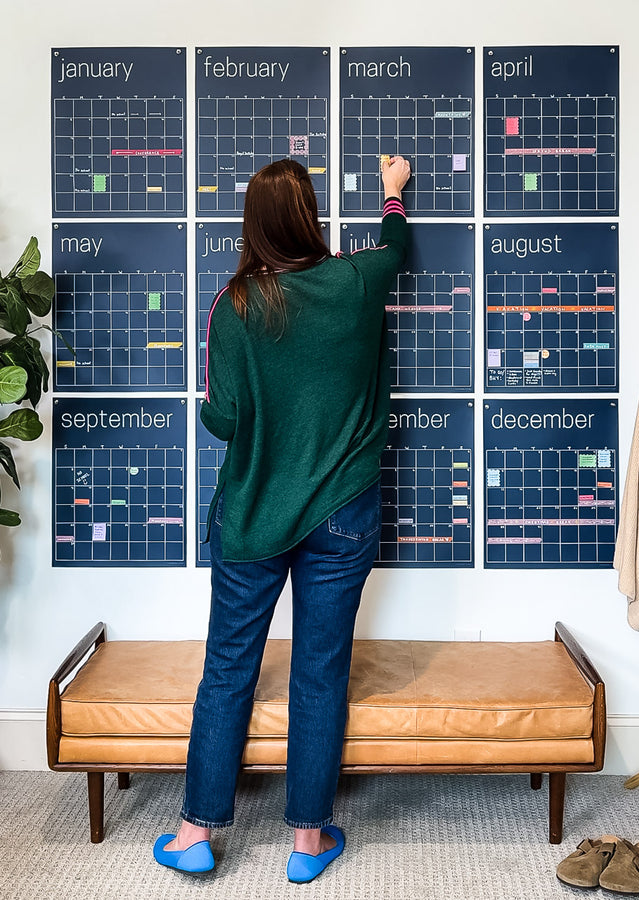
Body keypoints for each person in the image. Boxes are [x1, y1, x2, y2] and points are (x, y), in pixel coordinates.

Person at [153, 155, 411, 883]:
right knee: (321, 673)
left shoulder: (233, 305)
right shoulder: (358, 282)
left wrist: (223, 403)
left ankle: (194, 832)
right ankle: (306, 844)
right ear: (310, 216)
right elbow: (395, 248)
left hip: (255, 513)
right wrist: (392, 195)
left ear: (251, 225)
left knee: (228, 671)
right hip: (344, 513)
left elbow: (225, 420)